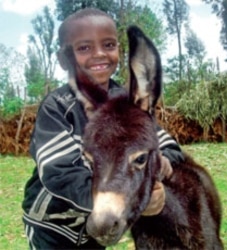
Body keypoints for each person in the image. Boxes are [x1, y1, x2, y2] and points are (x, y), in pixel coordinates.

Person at [22, 8, 184, 249]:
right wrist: (133, 198)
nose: (99, 54)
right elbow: (60, 174)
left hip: (101, 224)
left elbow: (168, 148)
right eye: (84, 48)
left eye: (108, 44)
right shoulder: (57, 108)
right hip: (53, 226)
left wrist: (156, 168)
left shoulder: (128, 104)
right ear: (63, 59)